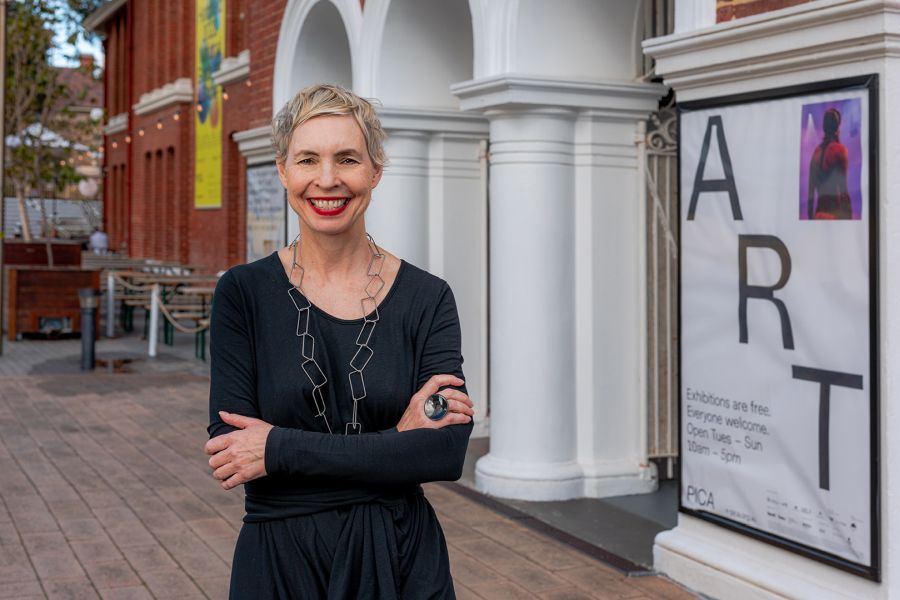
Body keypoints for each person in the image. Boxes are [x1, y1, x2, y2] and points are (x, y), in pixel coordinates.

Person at [205, 84, 474, 599]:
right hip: (281, 564)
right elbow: (230, 452)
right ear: (283, 170)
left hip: (401, 560)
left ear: (375, 170)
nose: (327, 180)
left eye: (347, 159)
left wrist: (278, 447)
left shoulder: (427, 297)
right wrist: (396, 443)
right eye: (308, 159)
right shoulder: (243, 293)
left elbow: (442, 451)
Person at [807, 107, 852, 220]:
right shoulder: (840, 150)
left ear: (824, 127)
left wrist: (810, 220)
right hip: (835, 215)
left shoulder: (816, 152)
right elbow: (844, 192)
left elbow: (810, 194)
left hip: (818, 215)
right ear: (838, 126)